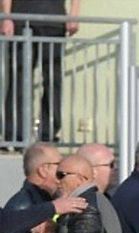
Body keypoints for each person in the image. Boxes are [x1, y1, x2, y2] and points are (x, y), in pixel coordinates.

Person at [2, 0, 80, 142]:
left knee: (52, 79)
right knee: (18, 79)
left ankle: (48, 134)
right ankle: (14, 134)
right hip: (21, 20)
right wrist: (7, 17)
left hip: (54, 22)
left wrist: (74, 14)